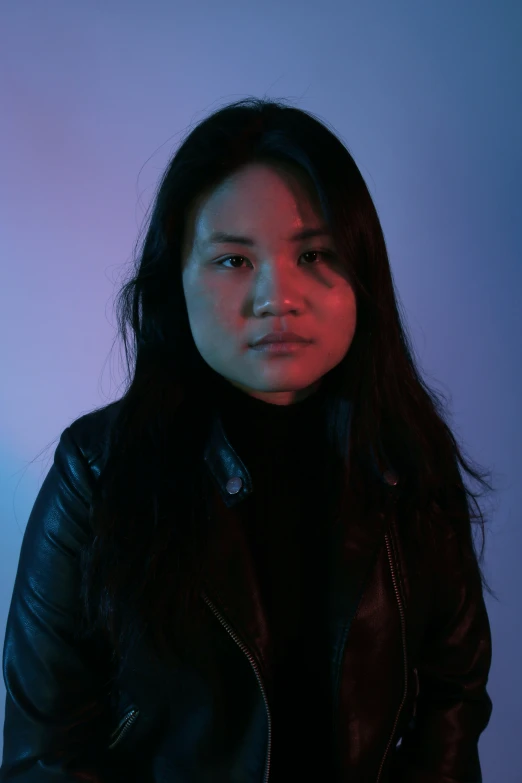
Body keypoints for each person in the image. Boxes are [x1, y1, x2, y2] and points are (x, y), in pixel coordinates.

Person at [0, 97, 495, 782]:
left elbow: (454, 702)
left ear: (362, 275)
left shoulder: (409, 459)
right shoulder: (97, 472)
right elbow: (43, 750)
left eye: (316, 254)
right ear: (176, 280)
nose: (276, 297)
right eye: (233, 261)